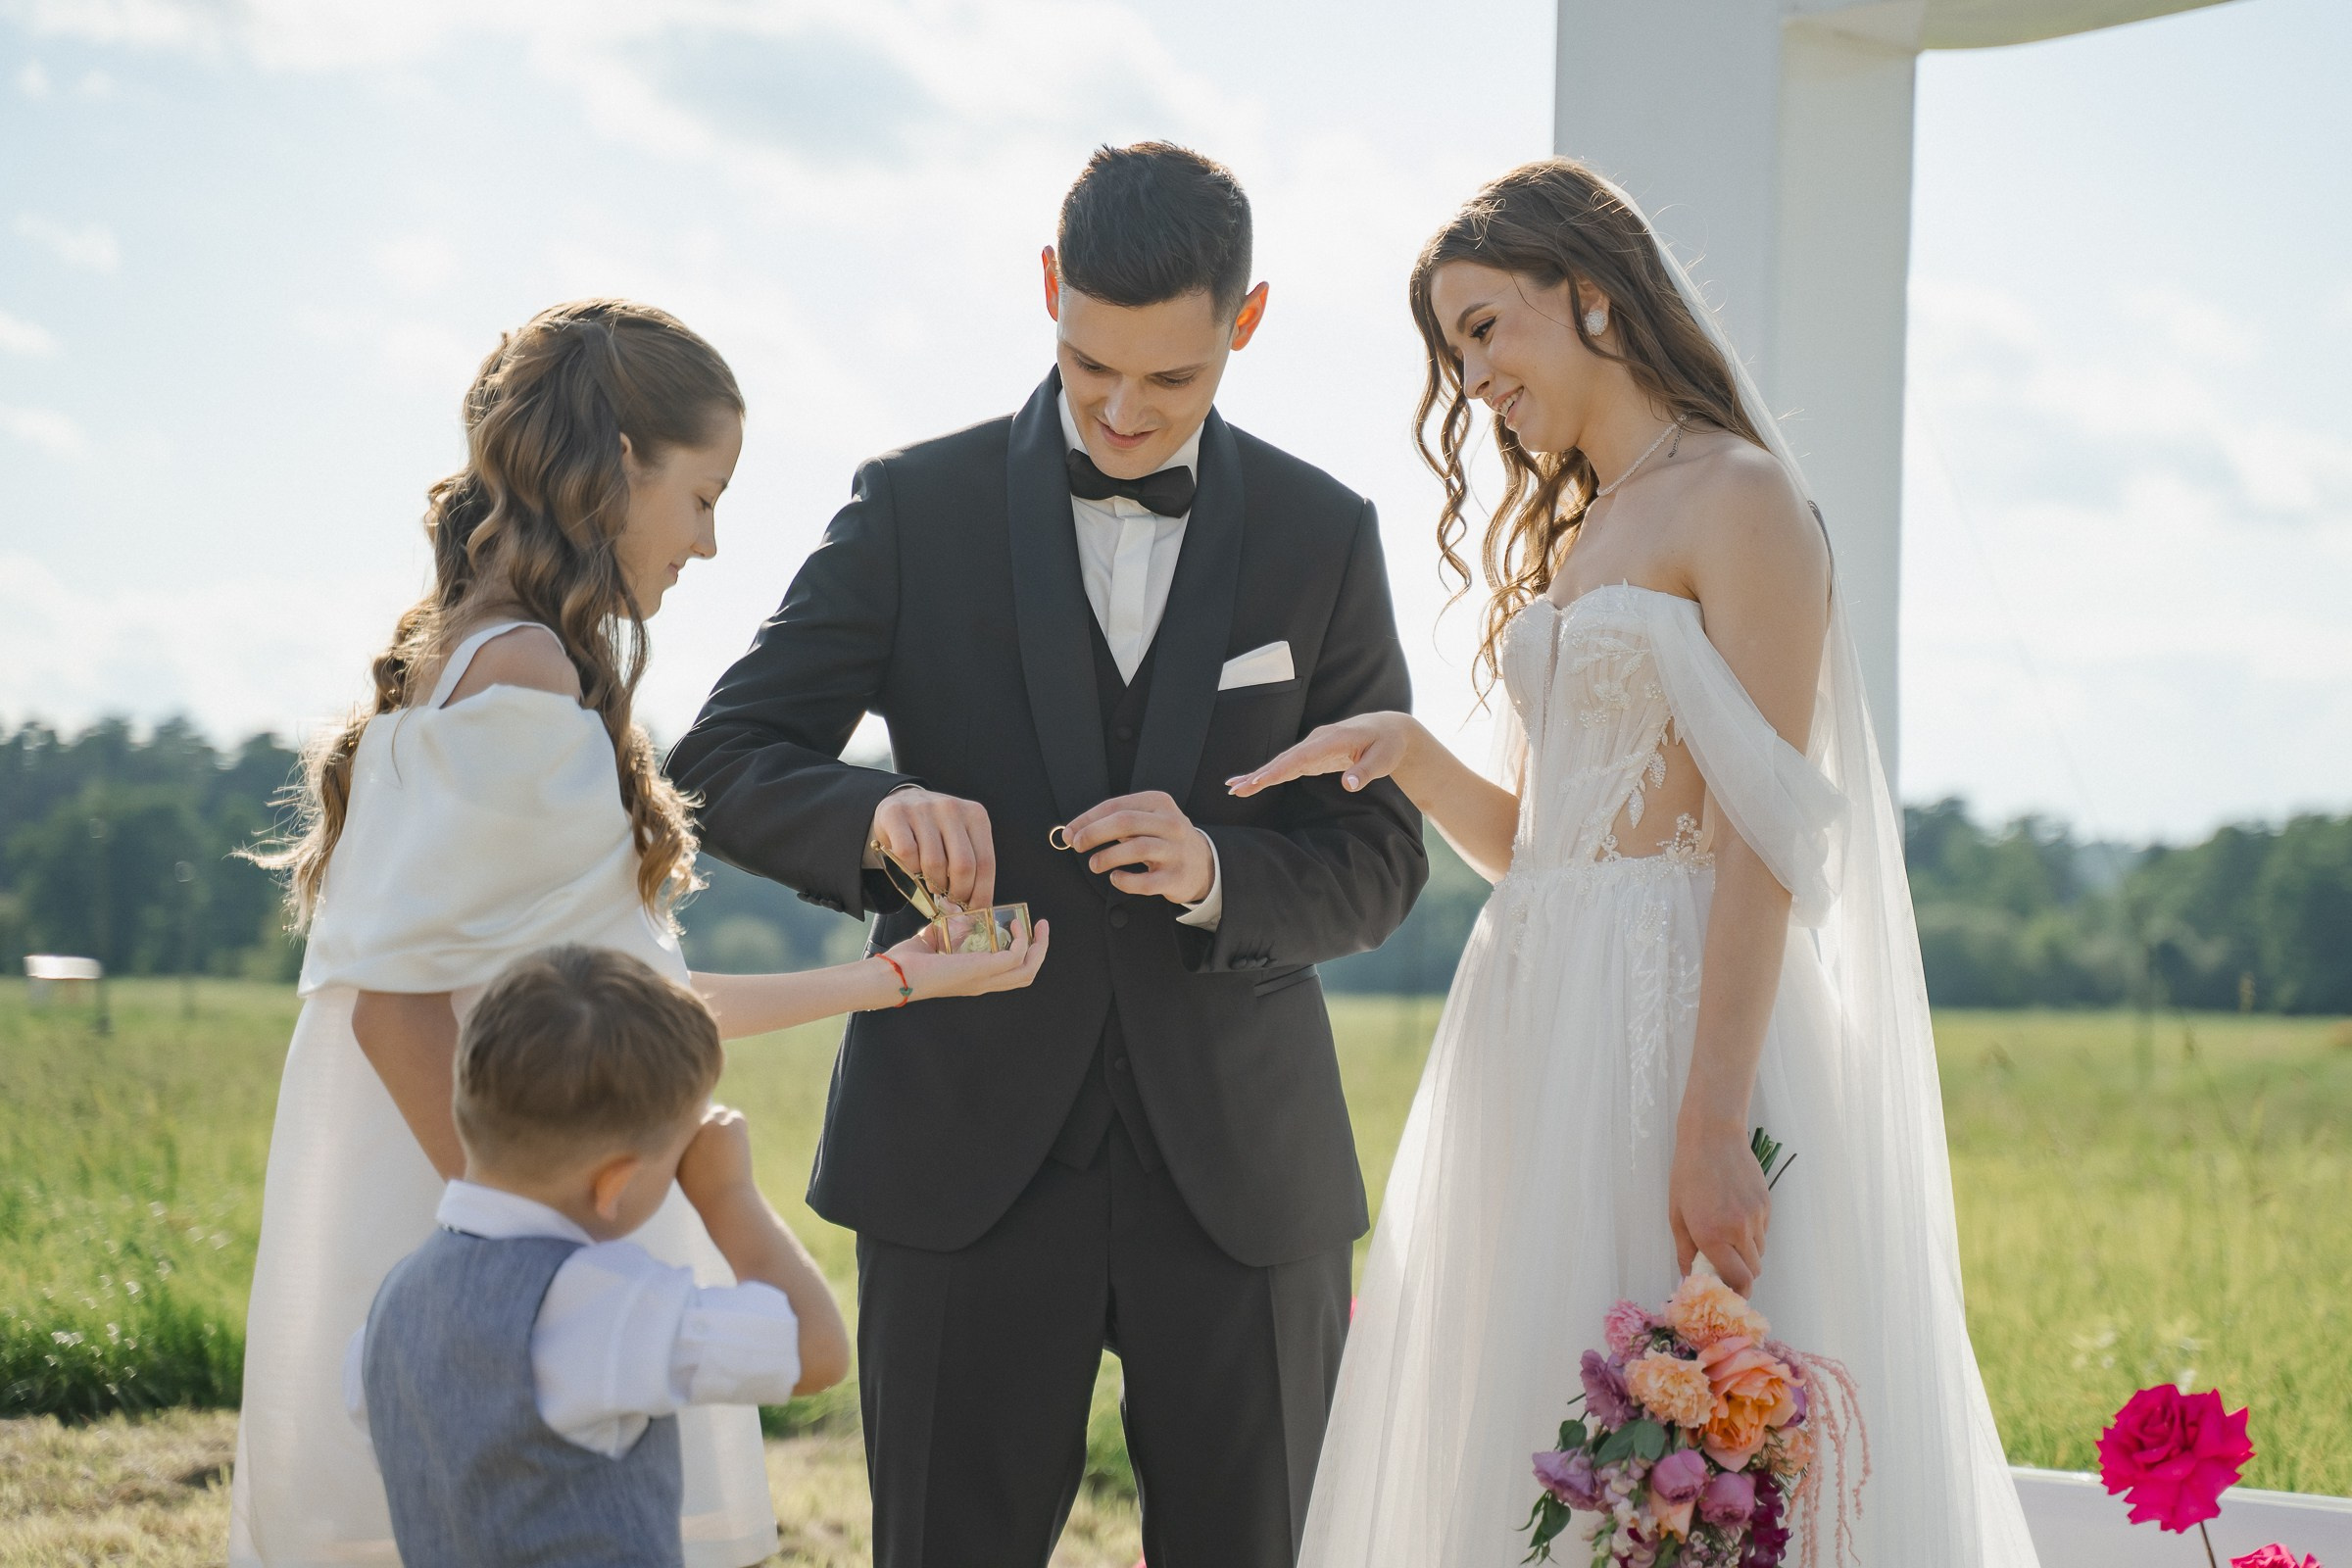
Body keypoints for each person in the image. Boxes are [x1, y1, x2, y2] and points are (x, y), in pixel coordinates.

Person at [1234, 160, 2043, 1565]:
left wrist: (1712, 1118)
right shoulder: (1588, 523)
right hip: (1540, 1019)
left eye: (1487, 326)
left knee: (1699, 1444)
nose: (1469, 373)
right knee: (1541, 1415)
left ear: (1592, 295)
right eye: (1450, 345)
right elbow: (1550, 853)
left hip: (1682, 1023)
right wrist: (1412, 755)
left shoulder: (1738, 498)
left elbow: (1763, 828)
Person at [667, 142, 1427, 1568]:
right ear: (1045, 290)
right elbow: (721, 761)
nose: (1126, 412)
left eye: (1174, 379)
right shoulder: (912, 507)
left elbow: (1382, 855)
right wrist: (874, 820)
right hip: (958, 1156)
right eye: (1091, 367)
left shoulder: (1327, 536)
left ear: (1246, 323)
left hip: (1242, 1175)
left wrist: (1219, 875)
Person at [231, 298, 1047, 1567]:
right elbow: (389, 1005)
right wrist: (534, 1258)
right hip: (518, 1211)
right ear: (620, 465)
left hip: (507, 1206)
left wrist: (896, 979)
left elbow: (631, 1007)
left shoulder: (475, 658)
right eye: (705, 495)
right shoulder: (524, 681)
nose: (709, 543)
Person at [347, 944, 850, 1568]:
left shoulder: (391, 1307)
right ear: (614, 1183)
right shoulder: (603, 1304)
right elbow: (817, 1352)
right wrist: (727, 1194)